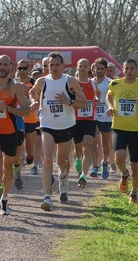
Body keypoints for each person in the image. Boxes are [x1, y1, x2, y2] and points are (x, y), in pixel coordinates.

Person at [30, 52, 88, 211]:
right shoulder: (42, 81)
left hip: (66, 126)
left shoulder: (70, 81)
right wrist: (35, 102)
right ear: (47, 67)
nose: (54, 68)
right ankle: (47, 197)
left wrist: (69, 101)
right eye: (51, 65)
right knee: (48, 159)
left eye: (57, 65)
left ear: (63, 66)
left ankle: (63, 179)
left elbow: (84, 103)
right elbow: (32, 92)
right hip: (47, 124)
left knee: (62, 161)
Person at [0, 55, 30, 215]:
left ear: (11, 67)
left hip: (9, 131)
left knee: (7, 168)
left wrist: (8, 109)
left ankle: (5, 200)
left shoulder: (15, 86)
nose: (2, 67)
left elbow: (26, 110)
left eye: (5, 65)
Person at [106, 59, 138, 204]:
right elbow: (109, 96)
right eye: (126, 68)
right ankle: (124, 173)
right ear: (123, 69)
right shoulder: (115, 84)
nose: (129, 71)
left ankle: (134, 192)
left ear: (137, 70)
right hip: (119, 127)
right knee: (119, 156)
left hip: (136, 130)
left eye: (132, 68)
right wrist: (110, 106)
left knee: (135, 164)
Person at [74, 58, 99, 188]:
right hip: (75, 120)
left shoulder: (93, 83)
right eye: (80, 66)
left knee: (87, 145)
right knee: (78, 149)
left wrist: (98, 100)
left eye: (85, 66)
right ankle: (78, 158)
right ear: (77, 68)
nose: (83, 68)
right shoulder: (72, 83)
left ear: (89, 68)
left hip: (90, 120)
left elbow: (98, 95)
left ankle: (84, 174)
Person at [15, 59, 39, 182]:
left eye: (24, 68)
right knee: (17, 148)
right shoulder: (13, 83)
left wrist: (34, 102)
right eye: (20, 68)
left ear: (29, 69)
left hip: (30, 120)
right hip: (16, 119)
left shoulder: (34, 83)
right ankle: (18, 174)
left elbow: (39, 98)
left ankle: (30, 156)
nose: (22, 71)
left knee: (30, 149)